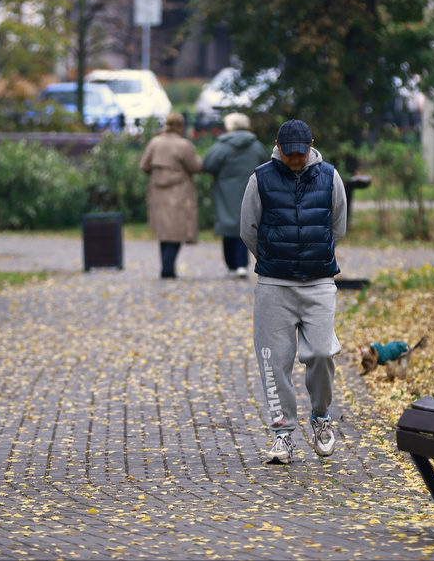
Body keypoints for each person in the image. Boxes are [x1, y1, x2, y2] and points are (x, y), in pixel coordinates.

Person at [240, 119, 347, 464]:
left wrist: (316, 253)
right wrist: (272, 258)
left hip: (318, 283)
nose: (295, 160)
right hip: (274, 286)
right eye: (289, 154)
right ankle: (282, 434)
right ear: (278, 147)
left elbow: (338, 227)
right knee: (274, 362)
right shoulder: (260, 179)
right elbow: (248, 229)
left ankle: (320, 416)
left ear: (311, 145)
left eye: (301, 154)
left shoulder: (330, 176)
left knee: (321, 353)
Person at [201, 112, 268, 278]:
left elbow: (207, 165)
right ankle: (241, 264)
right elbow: (267, 166)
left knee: (228, 226)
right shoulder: (257, 146)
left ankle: (231, 264)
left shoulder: (222, 146)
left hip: (225, 192)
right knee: (246, 224)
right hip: (250, 189)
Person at [139, 112, 203, 278]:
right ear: (180, 126)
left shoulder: (154, 143)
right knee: (176, 230)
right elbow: (195, 167)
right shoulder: (184, 145)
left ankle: (166, 267)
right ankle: (168, 269)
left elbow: (144, 166)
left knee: (165, 232)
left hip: (158, 192)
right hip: (179, 191)